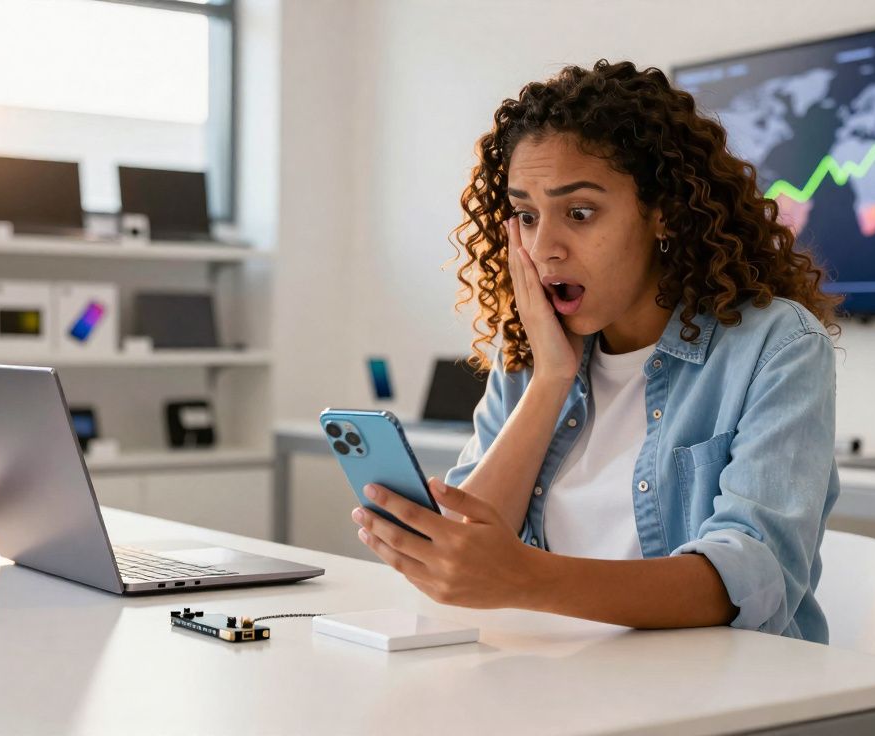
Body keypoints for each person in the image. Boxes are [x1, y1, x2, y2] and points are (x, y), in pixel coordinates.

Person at [349, 59, 842, 642]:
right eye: (526, 216)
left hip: (714, 694)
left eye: (579, 213)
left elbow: (750, 578)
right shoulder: (533, 346)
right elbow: (464, 546)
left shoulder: (776, 345)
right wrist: (551, 377)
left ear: (663, 212)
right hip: (558, 684)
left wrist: (528, 579)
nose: (544, 248)